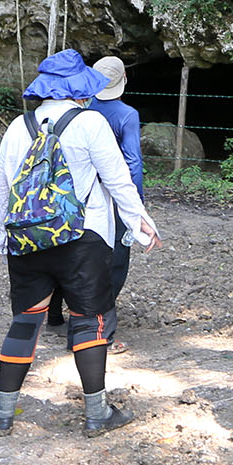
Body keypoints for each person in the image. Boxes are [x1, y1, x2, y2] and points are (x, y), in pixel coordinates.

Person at [0, 49, 161, 438]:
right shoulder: (91, 122)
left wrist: (5, 233)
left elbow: (3, 187)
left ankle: (2, 412)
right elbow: (117, 180)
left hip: (28, 240)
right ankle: (97, 414)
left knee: (25, 321)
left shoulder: (17, 126)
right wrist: (141, 224)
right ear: (79, 87)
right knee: (88, 322)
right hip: (84, 239)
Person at [86, 55, 143, 351]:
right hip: (115, 194)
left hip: (84, 194)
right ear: (124, 81)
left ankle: (58, 316)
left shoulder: (83, 110)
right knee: (117, 257)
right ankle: (102, 328)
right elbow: (132, 162)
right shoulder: (126, 115)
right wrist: (137, 204)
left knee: (80, 254)